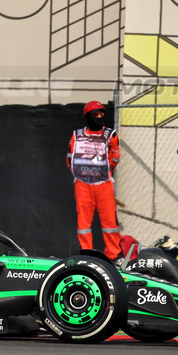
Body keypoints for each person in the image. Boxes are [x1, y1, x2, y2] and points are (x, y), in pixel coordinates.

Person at [68, 101, 122, 259]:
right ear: (88, 116)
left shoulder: (111, 135)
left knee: (110, 222)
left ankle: (115, 256)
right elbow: (70, 158)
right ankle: (86, 254)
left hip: (104, 184)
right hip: (82, 185)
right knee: (83, 224)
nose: (99, 117)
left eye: (102, 114)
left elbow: (115, 157)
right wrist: (83, 173)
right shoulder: (76, 135)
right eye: (96, 114)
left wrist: (103, 173)